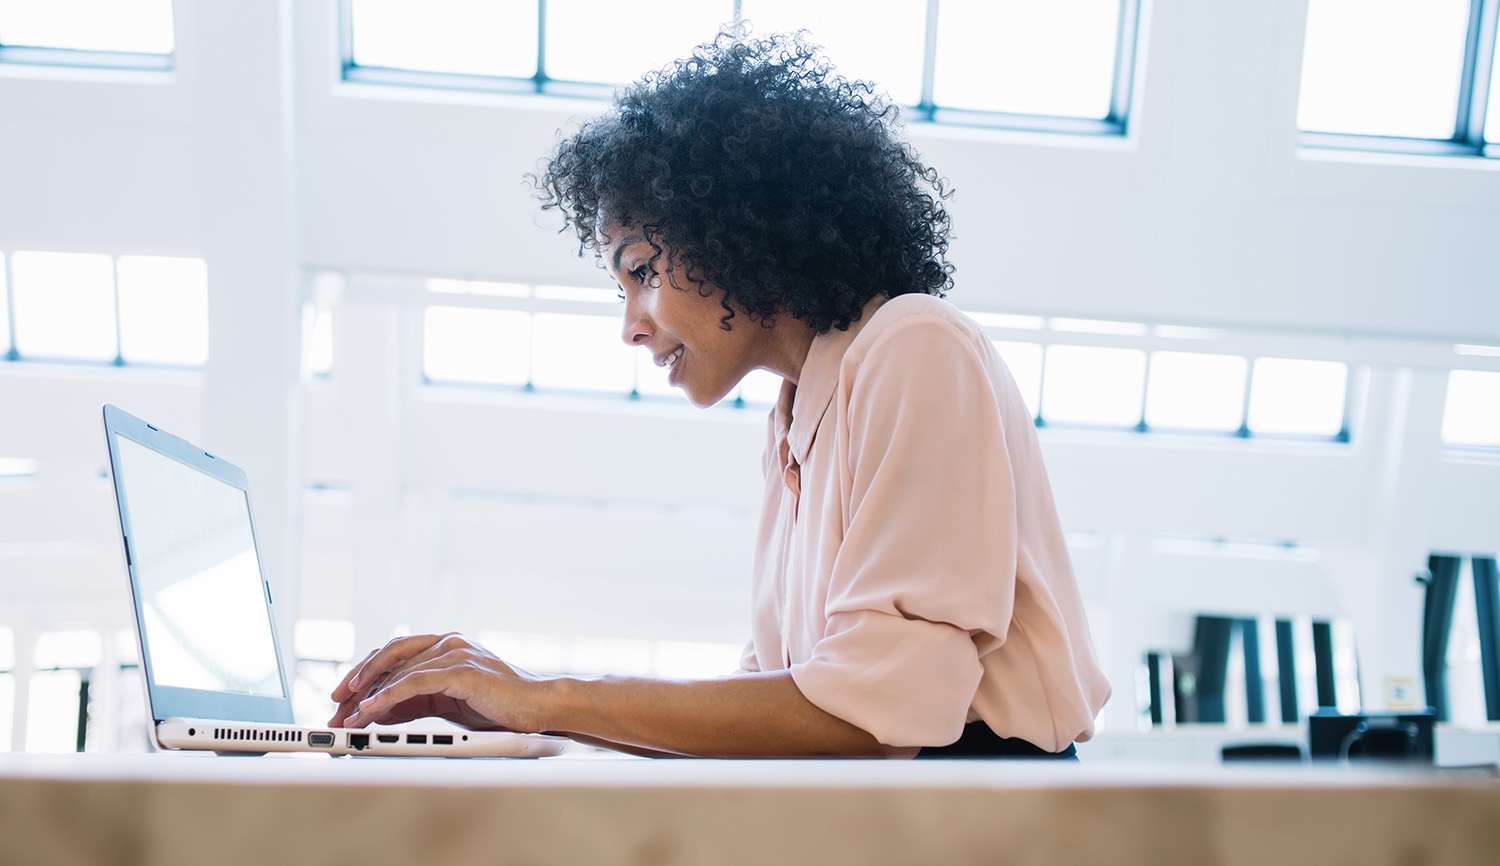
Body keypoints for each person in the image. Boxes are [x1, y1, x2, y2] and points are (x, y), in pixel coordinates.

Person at [329, 29, 1110, 758]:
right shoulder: (796, 422)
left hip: (996, 820)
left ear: (736, 232)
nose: (631, 327)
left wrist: (545, 697)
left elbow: (879, 713)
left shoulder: (914, 347)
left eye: (640, 271)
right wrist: (516, 701)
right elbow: (770, 709)